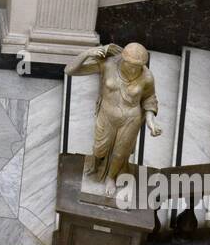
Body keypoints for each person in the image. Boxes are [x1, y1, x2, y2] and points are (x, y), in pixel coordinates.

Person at [64, 42, 161, 187]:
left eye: (138, 66)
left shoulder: (147, 77)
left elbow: (149, 98)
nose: (134, 69)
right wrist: (87, 54)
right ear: (123, 59)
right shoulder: (108, 65)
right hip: (106, 115)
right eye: (130, 64)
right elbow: (70, 70)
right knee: (98, 149)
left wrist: (150, 121)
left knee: (120, 153)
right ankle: (96, 165)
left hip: (130, 119)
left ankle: (111, 177)